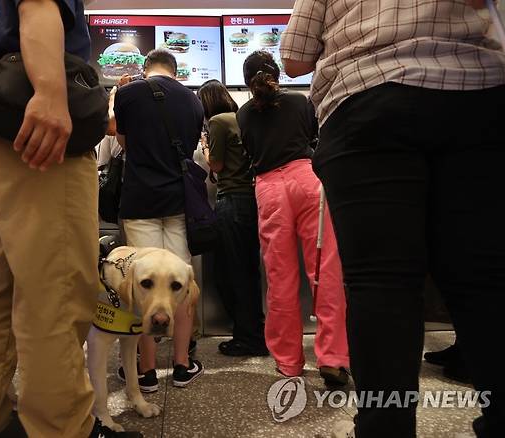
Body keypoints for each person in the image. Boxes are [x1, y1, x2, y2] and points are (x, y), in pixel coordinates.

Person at [281, 0, 505, 437]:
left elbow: (295, 57)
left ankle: (385, 427)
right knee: (488, 281)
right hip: (479, 99)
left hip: (369, 103)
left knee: (381, 285)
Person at [0, 0, 141, 437]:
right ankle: (60, 426)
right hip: (43, 133)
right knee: (58, 284)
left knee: (1, 281)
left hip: (6, 131)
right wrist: (52, 94)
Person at [236, 51, 349, 386]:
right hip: (307, 181)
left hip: (269, 189)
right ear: (278, 75)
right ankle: (332, 358)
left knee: (280, 278)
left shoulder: (243, 114)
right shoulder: (301, 103)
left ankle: (288, 362)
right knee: (325, 271)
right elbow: (317, 139)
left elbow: (250, 154)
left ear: (246, 81)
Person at [113, 49, 205, 391]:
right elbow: (192, 147)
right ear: (175, 69)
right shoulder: (193, 100)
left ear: (145, 67)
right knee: (180, 284)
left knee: (145, 284)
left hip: (140, 201)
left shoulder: (127, 93)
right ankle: (182, 365)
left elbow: (122, 141)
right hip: (181, 202)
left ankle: (146, 371)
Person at [196, 80, 268, 357]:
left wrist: (205, 146)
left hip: (231, 201)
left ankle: (248, 337)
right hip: (252, 200)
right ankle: (253, 333)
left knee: (230, 272)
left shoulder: (217, 121)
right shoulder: (243, 117)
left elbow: (216, 164)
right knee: (247, 271)